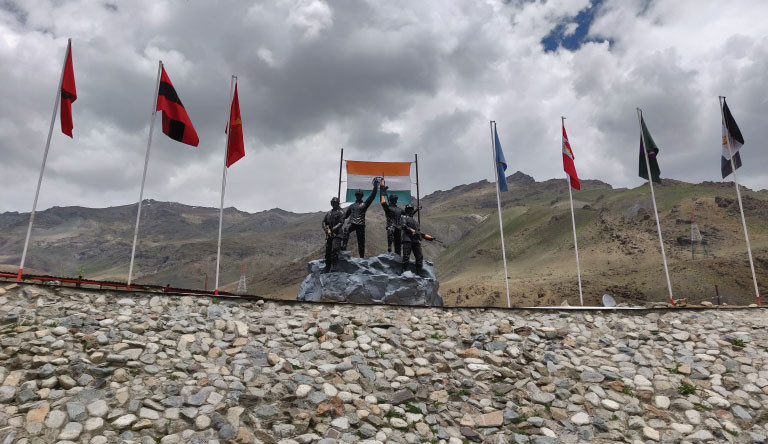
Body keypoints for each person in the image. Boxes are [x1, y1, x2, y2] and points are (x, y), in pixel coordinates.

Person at [342, 178, 380, 257]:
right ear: (355, 196)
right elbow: (345, 216)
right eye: (357, 195)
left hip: (360, 224)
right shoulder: (351, 206)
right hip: (352, 222)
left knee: (361, 242)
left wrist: (375, 186)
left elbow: (372, 196)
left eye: (359, 195)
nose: (358, 196)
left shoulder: (365, 204)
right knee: (346, 229)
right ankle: (344, 246)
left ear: (362, 196)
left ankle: (362, 257)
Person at [400, 204, 435, 274]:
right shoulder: (403, 217)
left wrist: (429, 237)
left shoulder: (416, 222)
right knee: (406, 256)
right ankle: (404, 272)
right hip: (407, 239)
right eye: (409, 209)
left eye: (411, 209)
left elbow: (419, 233)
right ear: (406, 210)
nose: (410, 210)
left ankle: (419, 273)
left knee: (419, 257)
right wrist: (413, 231)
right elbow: (404, 226)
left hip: (415, 240)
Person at [322, 196, 347, 273]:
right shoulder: (329, 213)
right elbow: (323, 221)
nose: (334, 204)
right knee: (328, 250)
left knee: (335, 250)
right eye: (332, 203)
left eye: (335, 203)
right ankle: (327, 266)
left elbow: (341, 223)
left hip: (337, 234)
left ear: (338, 203)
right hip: (329, 235)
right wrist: (325, 229)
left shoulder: (341, 212)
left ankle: (334, 266)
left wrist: (333, 229)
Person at [380, 183, 403, 255]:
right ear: (391, 199)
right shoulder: (388, 208)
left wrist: (416, 210)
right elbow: (382, 201)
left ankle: (398, 255)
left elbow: (408, 215)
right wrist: (382, 192)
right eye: (394, 199)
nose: (395, 200)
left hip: (398, 227)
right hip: (391, 225)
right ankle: (389, 246)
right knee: (390, 230)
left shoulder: (399, 209)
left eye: (395, 199)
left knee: (398, 245)